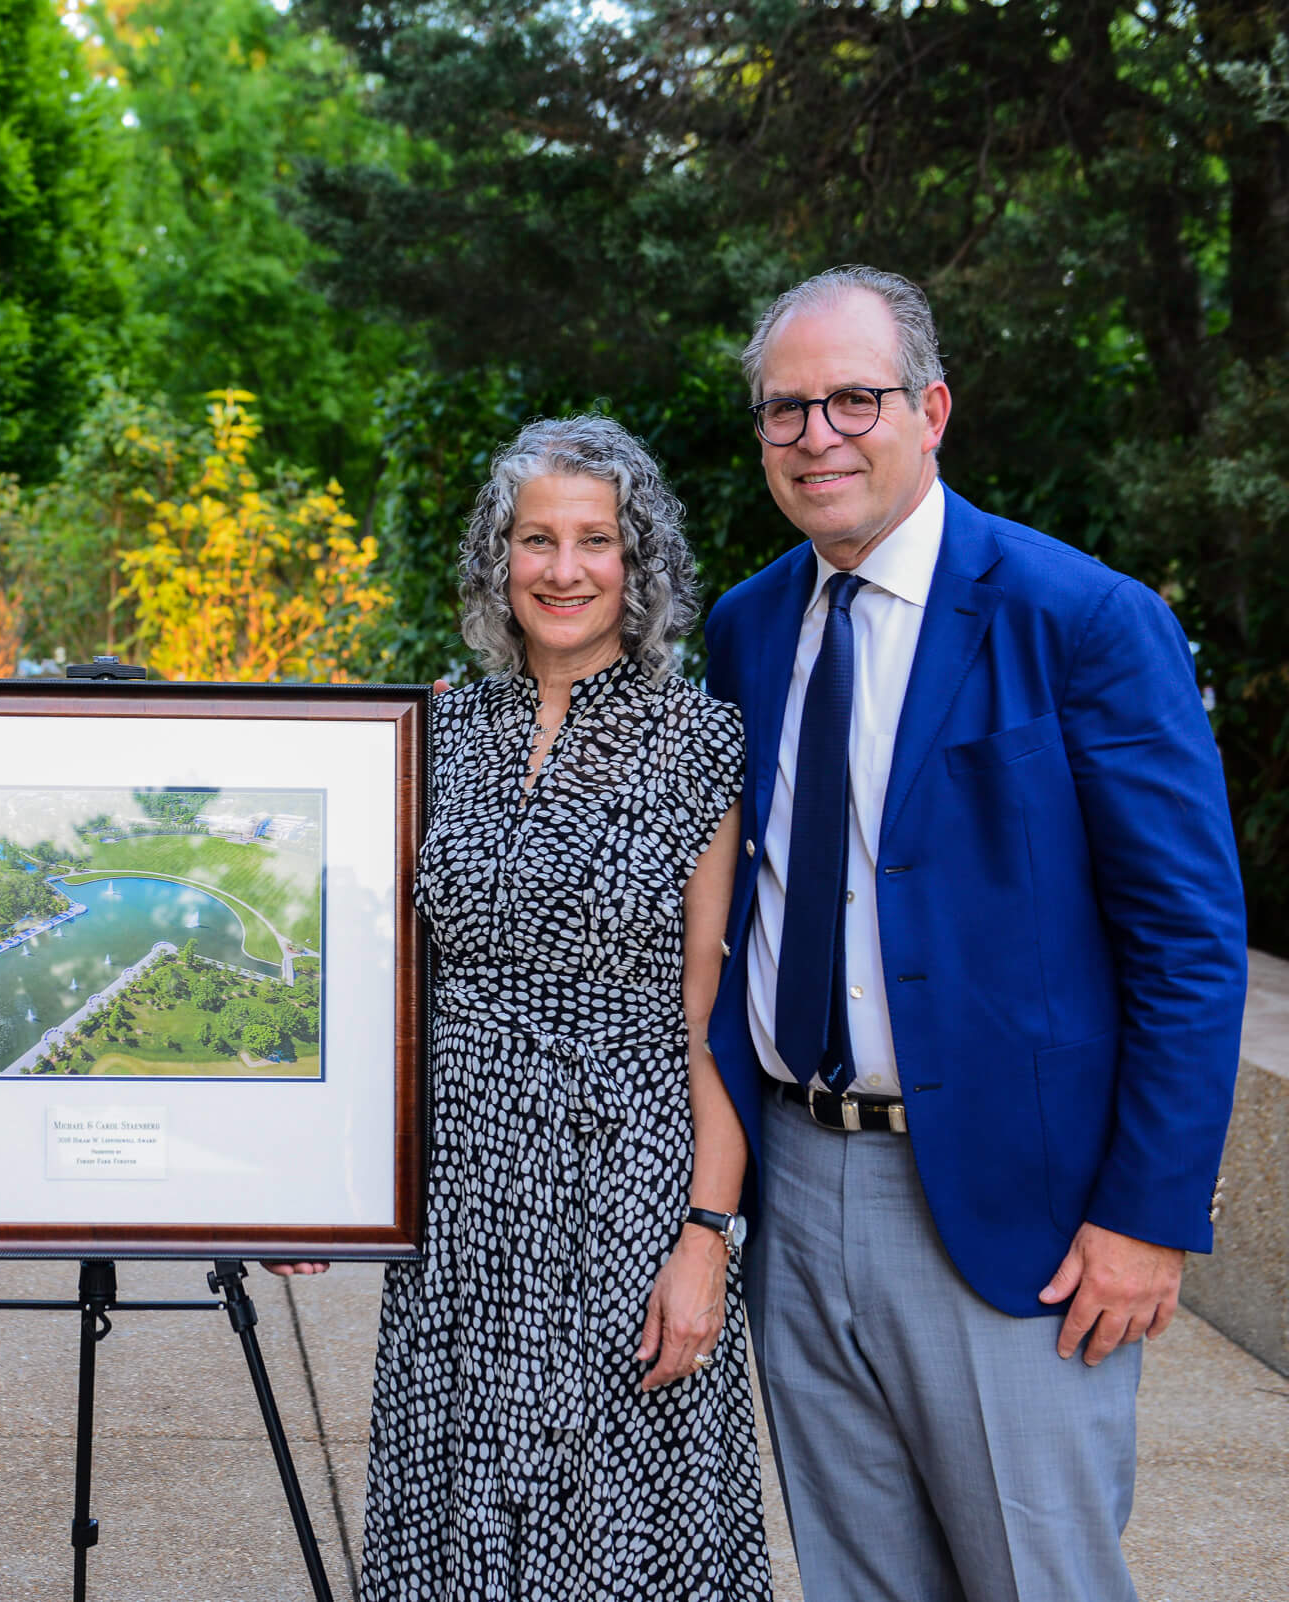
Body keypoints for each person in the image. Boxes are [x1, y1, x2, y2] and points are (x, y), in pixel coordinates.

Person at [704, 265, 1246, 1601]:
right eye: (787, 410)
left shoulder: (1083, 620)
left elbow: (1188, 939)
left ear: (931, 408)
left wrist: (1144, 1214)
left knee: (1039, 1576)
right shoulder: (747, 628)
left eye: (854, 399)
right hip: (796, 1175)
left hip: (1018, 1212)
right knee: (862, 1579)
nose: (819, 434)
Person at [285, 416, 769, 1599]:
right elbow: (380, 987)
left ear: (636, 561)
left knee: (616, 1531)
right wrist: (317, 1185)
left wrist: (706, 1241)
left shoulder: (700, 742)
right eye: (535, 539)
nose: (563, 568)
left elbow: (711, 1022)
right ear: (497, 560)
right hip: (462, 1210)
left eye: (595, 541)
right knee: (453, 1519)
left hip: (623, 1195)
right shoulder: (438, 734)